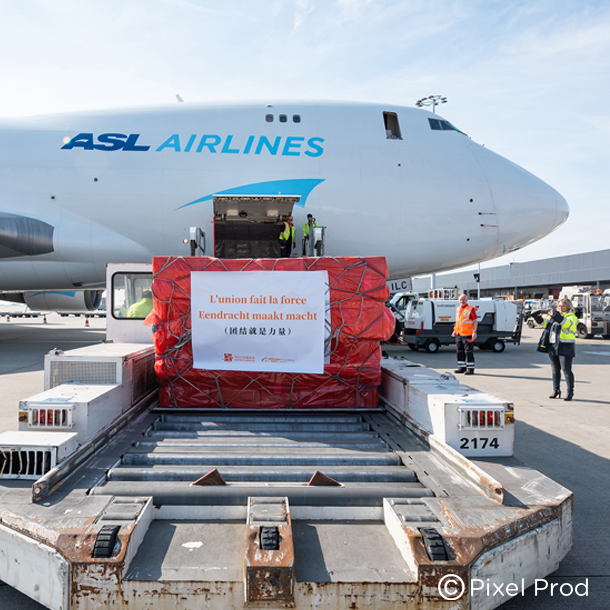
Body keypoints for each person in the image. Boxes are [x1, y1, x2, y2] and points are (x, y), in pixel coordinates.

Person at [532, 299, 578, 401]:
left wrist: (556, 316)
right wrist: (536, 317)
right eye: (559, 306)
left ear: (568, 307)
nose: (560, 308)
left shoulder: (571, 317)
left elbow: (565, 323)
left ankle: (570, 392)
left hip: (565, 345)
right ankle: (556, 390)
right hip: (553, 345)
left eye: (563, 306)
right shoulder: (554, 316)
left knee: (566, 370)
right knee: (555, 370)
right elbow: (544, 324)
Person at [452, 293, 478, 375]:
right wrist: (455, 331)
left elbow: (475, 321)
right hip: (459, 334)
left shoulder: (471, 309)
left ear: (467, 300)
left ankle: (470, 369)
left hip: (468, 334)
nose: (462, 301)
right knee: (459, 351)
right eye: (461, 299)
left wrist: (474, 332)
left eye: (464, 299)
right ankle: (461, 367)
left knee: (468, 351)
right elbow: (458, 322)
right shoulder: (458, 308)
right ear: (458, 300)